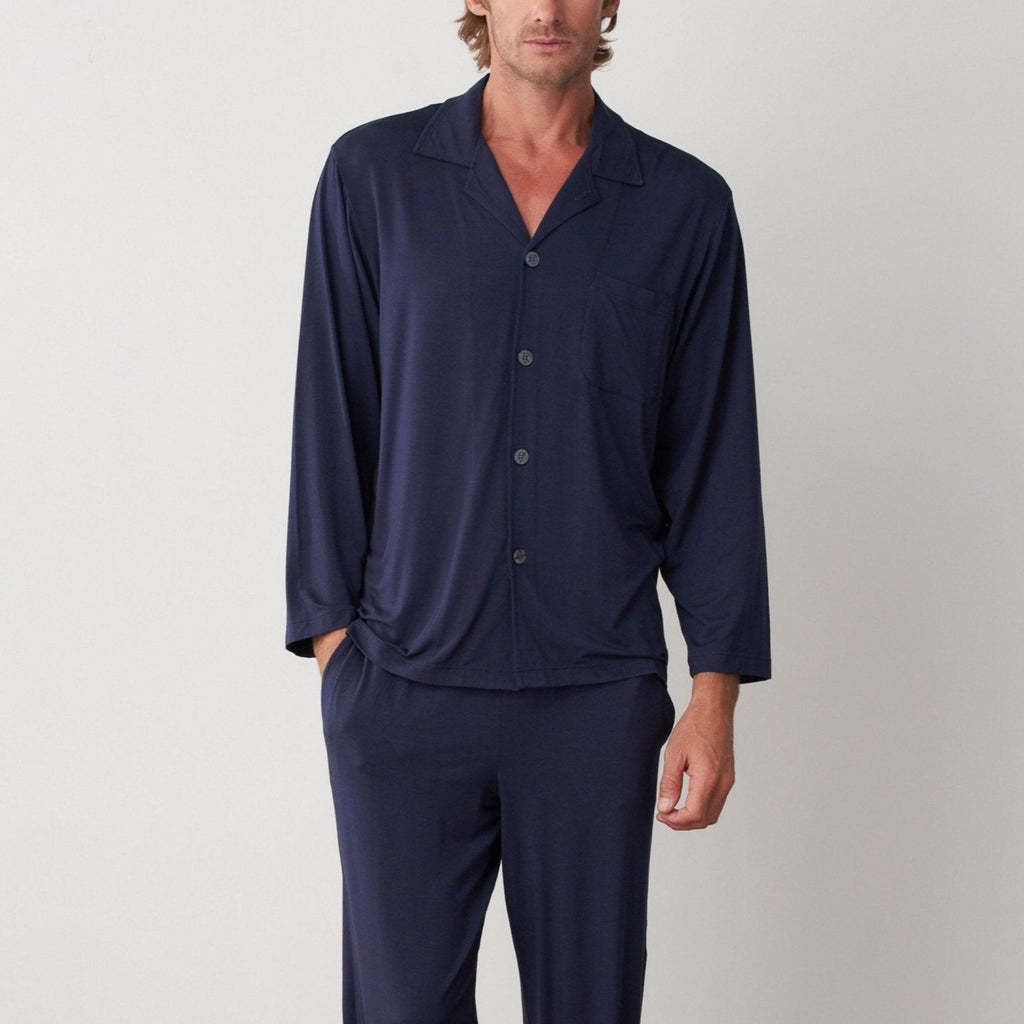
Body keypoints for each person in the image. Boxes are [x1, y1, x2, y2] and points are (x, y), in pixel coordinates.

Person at [285, 2, 770, 1021]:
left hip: (593, 699)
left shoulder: (684, 206)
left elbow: (712, 461)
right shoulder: (373, 179)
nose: (546, 9)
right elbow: (333, 420)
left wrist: (714, 693)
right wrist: (339, 660)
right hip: (403, 689)